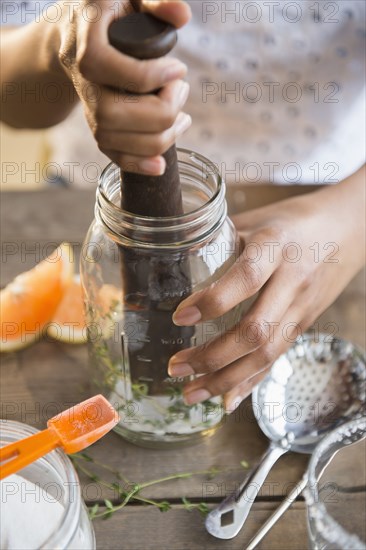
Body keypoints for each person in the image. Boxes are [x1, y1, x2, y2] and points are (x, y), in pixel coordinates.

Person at [1, 0, 365, 412]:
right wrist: (58, 38)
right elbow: (9, 93)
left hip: (320, 205)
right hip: (88, 191)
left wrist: (351, 220)